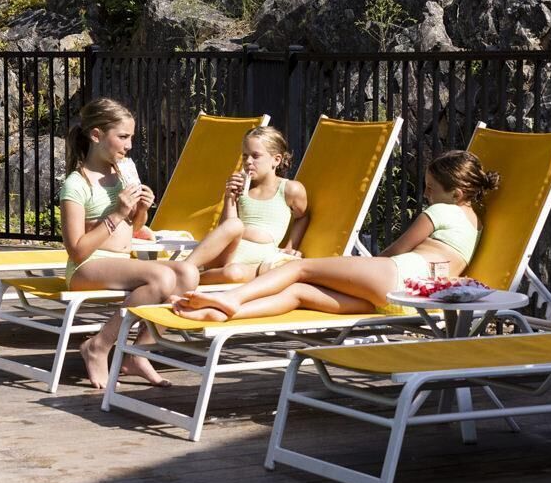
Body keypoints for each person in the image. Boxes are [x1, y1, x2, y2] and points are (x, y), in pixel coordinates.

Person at [173, 149, 498, 322]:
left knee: (299, 269)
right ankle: (221, 314)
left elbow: (398, 250)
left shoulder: (442, 211)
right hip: (412, 303)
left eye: (430, 189)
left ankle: (231, 298)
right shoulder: (476, 224)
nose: (426, 195)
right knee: (299, 293)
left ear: (456, 193)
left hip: (397, 276)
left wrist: (355, 270)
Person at [58, 97, 191, 388]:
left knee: (188, 275)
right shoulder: (77, 184)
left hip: (120, 261)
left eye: (131, 136)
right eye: (123, 137)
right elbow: (76, 250)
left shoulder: (122, 175)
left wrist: (141, 209)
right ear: (96, 135)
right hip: (86, 267)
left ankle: (138, 353)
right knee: (161, 277)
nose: (129, 145)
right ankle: (99, 346)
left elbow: (135, 228)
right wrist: (117, 213)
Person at [180, 125, 309, 282]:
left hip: (257, 257)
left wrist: (290, 248)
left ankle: (191, 278)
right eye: (245, 156)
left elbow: (302, 217)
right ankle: (183, 270)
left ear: (276, 160)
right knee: (234, 225)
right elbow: (225, 228)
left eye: (255, 156)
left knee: (233, 274)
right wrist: (229, 197)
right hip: (225, 252)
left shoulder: (290, 189)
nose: (248, 162)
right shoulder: (243, 188)